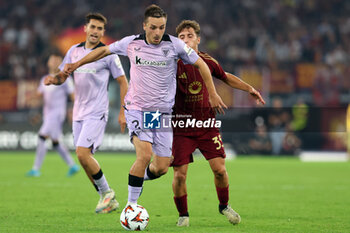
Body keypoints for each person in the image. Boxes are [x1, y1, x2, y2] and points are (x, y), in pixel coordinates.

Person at [63, 5, 226, 210]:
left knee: (162, 167)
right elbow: (103, 50)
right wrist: (76, 65)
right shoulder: (131, 43)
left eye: (161, 27)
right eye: (153, 27)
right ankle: (131, 207)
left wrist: (212, 93)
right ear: (144, 26)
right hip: (138, 109)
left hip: (163, 113)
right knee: (145, 155)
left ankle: (135, 177)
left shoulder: (174, 45)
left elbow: (201, 64)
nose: (157, 32)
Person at [171, 20, 266, 227]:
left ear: (198, 39)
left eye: (189, 36)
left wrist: (248, 88)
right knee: (179, 175)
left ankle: (224, 205)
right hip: (181, 126)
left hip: (206, 125)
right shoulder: (171, 62)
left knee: (220, 170)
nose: (186, 40)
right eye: (181, 37)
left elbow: (225, 77)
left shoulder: (207, 60)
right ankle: (183, 215)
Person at [44, 13, 128, 214]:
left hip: (97, 112)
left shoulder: (108, 54)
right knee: (83, 158)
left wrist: (123, 111)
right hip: (78, 114)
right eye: (93, 27)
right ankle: (107, 197)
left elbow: (123, 82)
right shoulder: (73, 51)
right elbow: (63, 76)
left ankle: (107, 193)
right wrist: (53, 80)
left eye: (100, 28)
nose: (96, 31)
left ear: (103, 32)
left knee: (82, 153)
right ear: (86, 28)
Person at [26, 54, 79, 177]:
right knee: (55, 142)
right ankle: (72, 165)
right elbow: (39, 95)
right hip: (47, 114)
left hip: (57, 114)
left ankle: (35, 169)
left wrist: (77, 110)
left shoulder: (65, 79)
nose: (54, 62)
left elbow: (73, 95)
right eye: (52, 60)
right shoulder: (44, 78)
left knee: (42, 137)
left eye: (57, 61)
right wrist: (31, 100)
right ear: (48, 63)